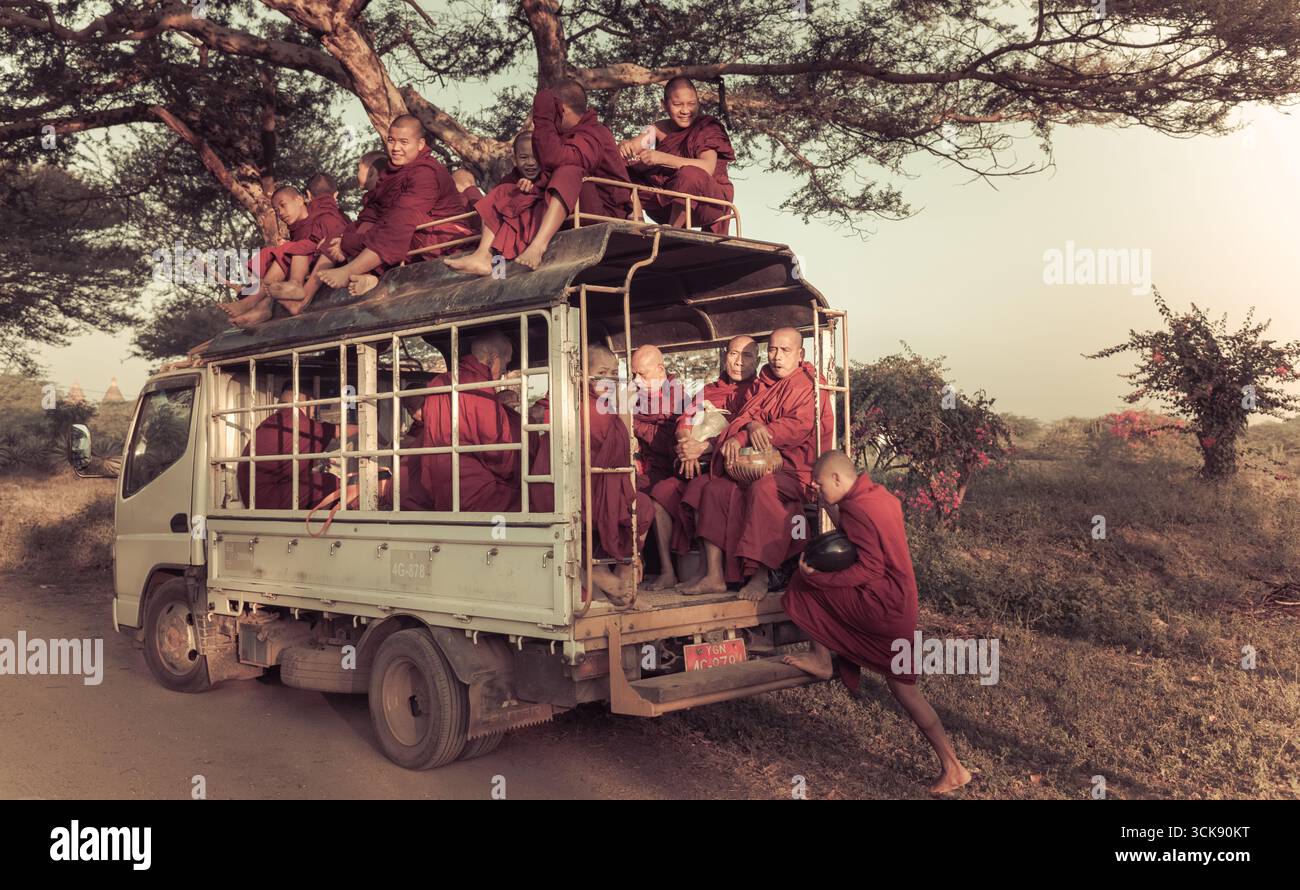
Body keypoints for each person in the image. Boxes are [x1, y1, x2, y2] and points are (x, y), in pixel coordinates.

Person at [782, 450, 973, 794]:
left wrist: (818, 579)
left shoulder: (858, 508)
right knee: (905, 690)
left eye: (820, 484)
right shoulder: (878, 496)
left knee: (802, 584)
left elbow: (869, 568)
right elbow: (858, 537)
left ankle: (822, 660)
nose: (816, 488)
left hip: (880, 606)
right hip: (901, 603)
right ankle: (953, 767)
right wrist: (827, 505)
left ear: (837, 478)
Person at [678, 327, 833, 600]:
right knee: (715, 489)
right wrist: (748, 428)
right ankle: (714, 575)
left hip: (795, 470)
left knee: (763, 489)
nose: (777, 357)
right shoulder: (764, 382)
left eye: (785, 350)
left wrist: (752, 433)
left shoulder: (808, 385)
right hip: (757, 463)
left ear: (800, 354)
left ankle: (761, 574)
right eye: (773, 349)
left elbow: (797, 427)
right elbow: (747, 417)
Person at [446, 80, 630, 275]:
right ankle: (484, 254)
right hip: (567, 205)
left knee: (569, 171)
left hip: (601, 211)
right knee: (505, 190)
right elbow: (547, 170)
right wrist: (528, 184)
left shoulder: (594, 132)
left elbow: (556, 160)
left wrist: (542, 115)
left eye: (551, 109)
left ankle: (538, 246)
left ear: (560, 109)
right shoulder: (564, 135)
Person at [529, 345, 653, 607]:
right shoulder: (575, 402)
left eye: (613, 373)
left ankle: (623, 580)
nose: (608, 379)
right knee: (632, 507)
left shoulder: (603, 403)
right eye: (601, 372)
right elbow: (619, 451)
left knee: (641, 505)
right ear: (582, 372)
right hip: (566, 490)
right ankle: (609, 580)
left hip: (593, 483)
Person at [318, 115, 472, 297]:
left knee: (401, 219)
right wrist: (345, 238)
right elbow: (375, 212)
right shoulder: (391, 172)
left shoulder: (426, 172)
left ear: (420, 144)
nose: (395, 148)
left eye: (404, 142)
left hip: (441, 234)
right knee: (350, 230)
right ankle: (364, 277)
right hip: (408, 231)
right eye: (391, 141)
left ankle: (351, 270)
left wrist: (351, 243)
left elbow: (401, 217)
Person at [670, 335, 758, 580]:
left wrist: (704, 448)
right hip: (702, 463)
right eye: (733, 354)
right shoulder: (710, 390)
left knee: (701, 489)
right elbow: (685, 420)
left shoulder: (758, 391)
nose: (739, 362)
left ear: (757, 360)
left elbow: (745, 432)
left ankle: (711, 573)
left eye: (747, 355)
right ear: (725, 356)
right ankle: (678, 571)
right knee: (667, 490)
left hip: (737, 465)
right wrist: (686, 445)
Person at [418, 332, 523, 512]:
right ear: (493, 358)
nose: (504, 373)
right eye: (505, 364)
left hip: (438, 487)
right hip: (476, 489)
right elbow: (498, 453)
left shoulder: (438, 382)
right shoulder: (479, 388)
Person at [620, 76, 737, 233]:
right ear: (664, 105)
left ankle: (673, 231)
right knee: (621, 168)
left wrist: (661, 158)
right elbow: (631, 148)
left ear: (698, 103)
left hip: (707, 202)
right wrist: (624, 145)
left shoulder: (706, 127)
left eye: (691, 104)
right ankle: (637, 220)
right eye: (677, 104)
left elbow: (707, 167)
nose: (685, 111)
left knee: (690, 174)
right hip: (666, 203)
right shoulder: (657, 128)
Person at [629, 344, 688, 590]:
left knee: (655, 498)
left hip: (675, 471)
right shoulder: (635, 395)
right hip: (648, 469)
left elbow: (667, 443)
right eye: (633, 375)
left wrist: (633, 426)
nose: (636, 381)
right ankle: (630, 563)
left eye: (642, 375)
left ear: (661, 369)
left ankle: (667, 570)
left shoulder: (677, 397)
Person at [236, 381, 336, 509]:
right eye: (314, 407)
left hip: (251, 499)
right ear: (308, 403)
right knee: (330, 482)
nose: (313, 414)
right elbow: (338, 431)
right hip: (269, 499)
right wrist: (360, 427)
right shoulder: (299, 422)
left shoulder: (269, 422)